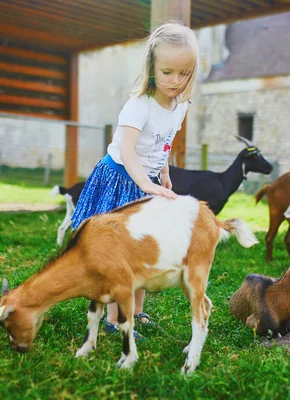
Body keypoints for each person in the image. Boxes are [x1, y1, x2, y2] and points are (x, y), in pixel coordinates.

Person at [70, 21, 200, 340]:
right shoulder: (138, 106)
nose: (176, 80)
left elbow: (163, 144)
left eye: (184, 73)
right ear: (152, 67)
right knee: (120, 255)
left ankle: (137, 313)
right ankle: (115, 320)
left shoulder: (179, 106)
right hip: (119, 179)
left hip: (149, 182)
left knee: (143, 252)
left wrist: (163, 174)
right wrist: (144, 182)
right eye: (168, 72)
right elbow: (128, 150)